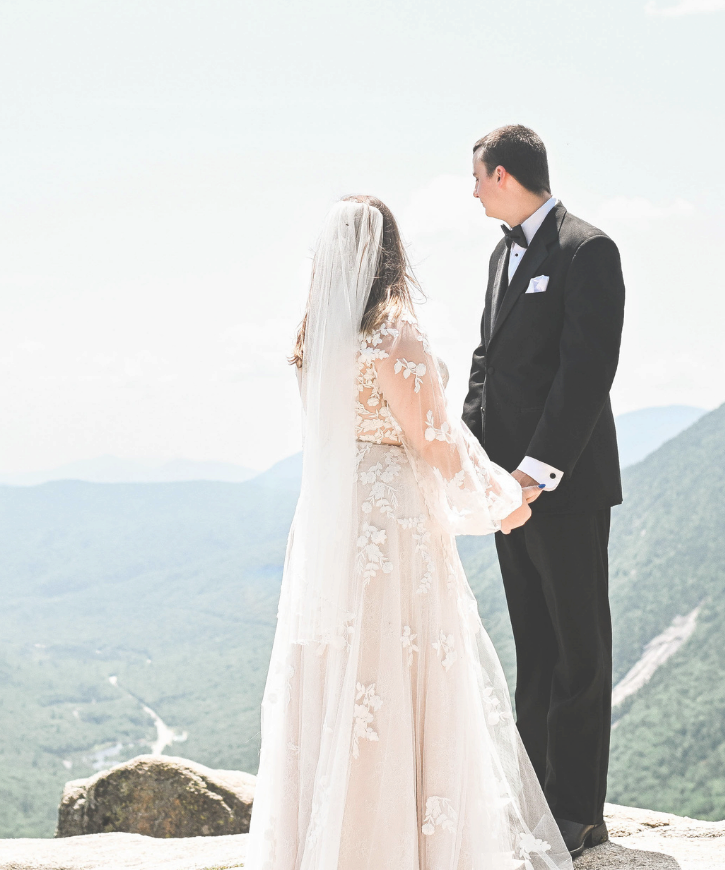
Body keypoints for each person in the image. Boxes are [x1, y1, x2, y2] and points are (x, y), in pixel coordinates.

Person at [249, 196, 572, 870]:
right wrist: (503, 497)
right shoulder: (393, 336)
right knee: (402, 663)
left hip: (332, 519)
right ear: (390, 256)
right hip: (390, 520)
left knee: (345, 670)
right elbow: (434, 444)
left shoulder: (315, 339)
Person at [463, 125, 626, 854]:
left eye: (476, 178)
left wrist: (535, 471)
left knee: (578, 649)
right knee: (534, 645)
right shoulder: (501, 255)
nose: (471, 192)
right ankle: (534, 798)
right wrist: (476, 465)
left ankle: (578, 811)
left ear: (502, 175)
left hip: (565, 487)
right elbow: (485, 364)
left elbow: (585, 373)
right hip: (506, 492)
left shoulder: (587, 249)